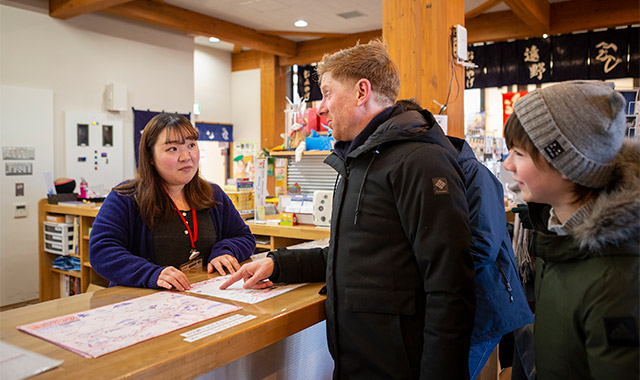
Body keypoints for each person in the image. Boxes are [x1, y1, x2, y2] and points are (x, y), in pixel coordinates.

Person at [221, 40, 476, 379]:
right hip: (358, 360)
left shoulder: (420, 161)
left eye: (327, 93)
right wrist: (277, 263)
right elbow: (356, 255)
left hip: (401, 365)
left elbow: (451, 284)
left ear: (361, 92)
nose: (320, 109)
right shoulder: (358, 160)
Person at [502, 80, 639, 379]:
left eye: (519, 153)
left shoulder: (617, 278)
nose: (508, 165)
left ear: (565, 163)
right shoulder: (558, 235)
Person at [400, 98, 533, 379]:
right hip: (461, 307)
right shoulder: (435, 172)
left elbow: (482, 246)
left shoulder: (473, 174)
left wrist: (423, 269)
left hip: (486, 304)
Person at [90, 113, 255, 291]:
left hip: (203, 298)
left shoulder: (213, 194)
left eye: (191, 145)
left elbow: (244, 237)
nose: (186, 156)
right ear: (150, 157)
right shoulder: (126, 197)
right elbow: (102, 251)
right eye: (173, 149)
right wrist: (151, 274)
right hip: (145, 303)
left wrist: (225, 250)